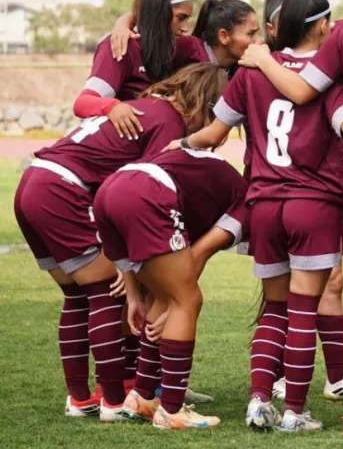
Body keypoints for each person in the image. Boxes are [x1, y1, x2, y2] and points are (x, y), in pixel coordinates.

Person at [177, 0, 343, 432]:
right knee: (303, 310)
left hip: (263, 205)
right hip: (313, 204)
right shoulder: (329, 76)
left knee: (274, 309)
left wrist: (177, 146)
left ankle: (259, 400)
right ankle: (295, 411)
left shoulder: (252, 71)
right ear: (320, 26)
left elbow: (212, 135)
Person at [14, 62, 230, 420]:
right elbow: (145, 188)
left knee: (77, 296)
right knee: (107, 292)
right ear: (204, 102)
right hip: (61, 189)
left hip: (33, 181)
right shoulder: (170, 121)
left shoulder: (146, 106)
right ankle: (114, 400)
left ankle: (80, 399)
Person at [93, 147, 248, 429]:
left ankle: (141, 396)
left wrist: (135, 296)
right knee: (188, 300)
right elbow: (197, 257)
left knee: (169, 295)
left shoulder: (220, 183)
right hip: (147, 192)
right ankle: (173, 409)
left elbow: (170, 276)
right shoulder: (247, 202)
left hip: (111, 188)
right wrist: (175, 307)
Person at [73, 0, 207, 139]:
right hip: (120, 147)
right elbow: (83, 102)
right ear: (160, 14)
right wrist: (113, 107)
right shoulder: (120, 46)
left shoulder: (183, 46)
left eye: (188, 19)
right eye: (180, 18)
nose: (186, 28)